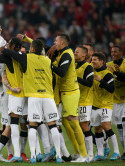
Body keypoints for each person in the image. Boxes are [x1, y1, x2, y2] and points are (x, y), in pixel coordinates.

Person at [2, 39, 64, 163]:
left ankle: (34, 157)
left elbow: (7, 52)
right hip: (48, 96)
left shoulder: (27, 58)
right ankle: (58, 156)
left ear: (32, 48)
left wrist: (6, 46)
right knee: (53, 126)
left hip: (34, 97)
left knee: (32, 127)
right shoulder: (47, 61)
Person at [48, 33, 89, 162]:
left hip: (70, 92)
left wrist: (48, 64)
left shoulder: (66, 54)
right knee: (66, 123)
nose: (54, 42)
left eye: (56, 40)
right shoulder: (61, 53)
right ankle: (77, 152)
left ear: (62, 43)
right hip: (64, 93)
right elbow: (39, 46)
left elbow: (62, 72)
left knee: (73, 121)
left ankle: (85, 155)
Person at [106, 45, 125, 160]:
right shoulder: (108, 65)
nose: (113, 53)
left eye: (115, 52)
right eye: (112, 52)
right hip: (115, 100)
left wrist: (118, 73)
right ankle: (124, 152)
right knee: (119, 126)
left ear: (121, 53)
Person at [90, 52, 120, 161]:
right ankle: (100, 154)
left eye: (95, 60)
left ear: (101, 61)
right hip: (95, 105)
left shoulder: (107, 74)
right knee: (97, 129)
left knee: (106, 126)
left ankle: (116, 152)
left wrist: (100, 80)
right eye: (92, 59)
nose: (92, 61)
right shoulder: (92, 72)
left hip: (105, 105)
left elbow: (111, 89)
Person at [74, 46, 94, 160]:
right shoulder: (74, 65)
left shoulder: (88, 67)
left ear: (84, 55)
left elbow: (89, 83)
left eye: (77, 52)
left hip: (84, 102)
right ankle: (82, 153)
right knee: (78, 128)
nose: (75, 53)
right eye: (75, 51)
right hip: (75, 101)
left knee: (85, 127)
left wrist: (76, 78)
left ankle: (90, 155)